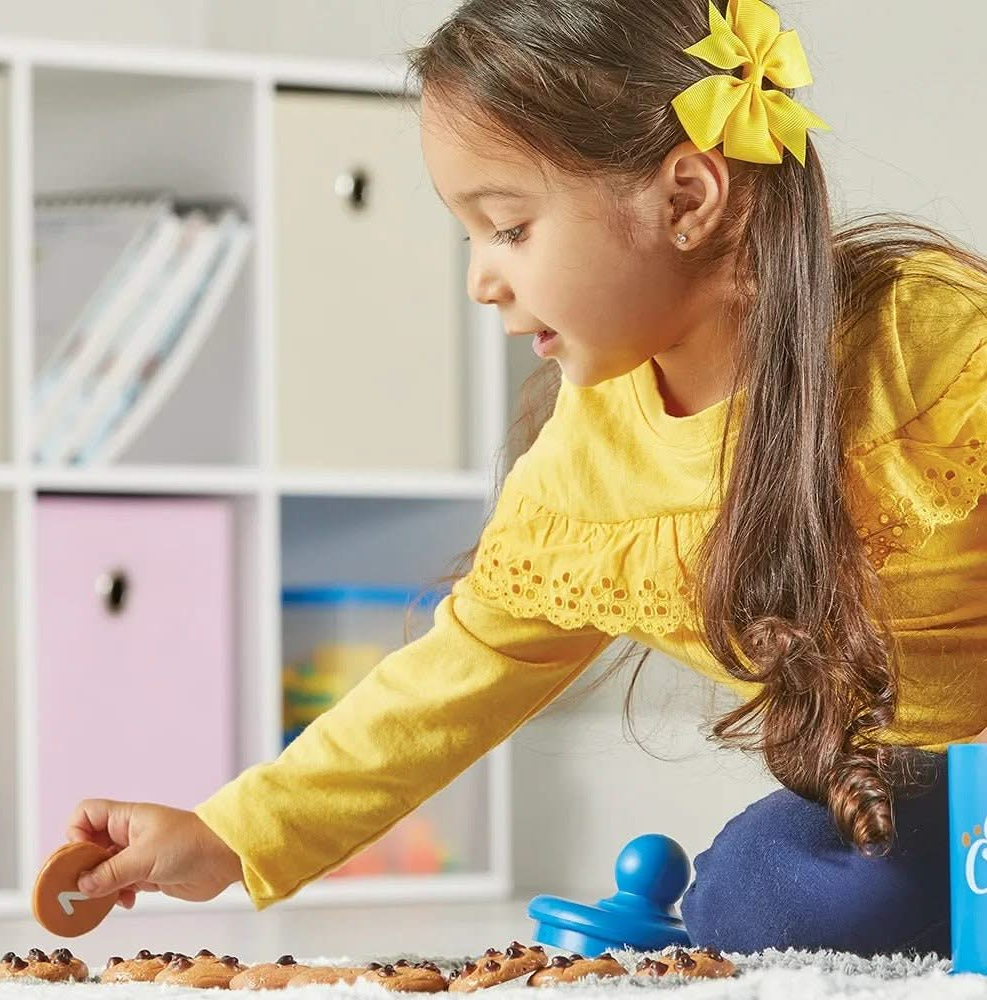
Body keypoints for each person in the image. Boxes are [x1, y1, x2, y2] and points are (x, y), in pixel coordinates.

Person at [68, 0, 986, 957]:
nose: (480, 278)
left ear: (686, 199)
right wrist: (229, 835)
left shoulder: (930, 348)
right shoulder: (586, 462)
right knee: (756, 900)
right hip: (915, 792)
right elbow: (460, 672)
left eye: (508, 227)